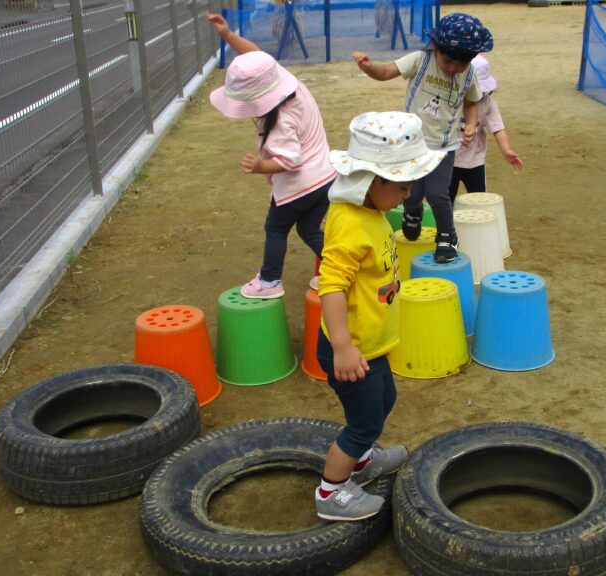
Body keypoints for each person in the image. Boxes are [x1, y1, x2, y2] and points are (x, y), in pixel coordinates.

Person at [314, 111, 446, 521]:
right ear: (370, 181)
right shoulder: (351, 223)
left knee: (384, 400)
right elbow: (330, 286)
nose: (409, 194)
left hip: (372, 345)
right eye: (402, 185)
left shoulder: (370, 212)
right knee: (363, 423)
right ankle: (330, 493)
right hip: (351, 350)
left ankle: (362, 462)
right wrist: (343, 347)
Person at [207, 13, 336, 299]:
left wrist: (260, 166)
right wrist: (228, 36)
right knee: (308, 228)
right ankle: (340, 269)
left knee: (275, 228)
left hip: (299, 185)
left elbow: (290, 160)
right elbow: (255, 55)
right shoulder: (290, 84)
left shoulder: (280, 121)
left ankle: (269, 281)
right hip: (326, 176)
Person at [353, 13, 494, 263]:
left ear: (471, 59)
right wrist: (368, 67)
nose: (452, 68)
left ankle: (447, 236)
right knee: (412, 193)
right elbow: (386, 72)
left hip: (444, 147)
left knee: (439, 193)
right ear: (435, 47)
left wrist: (471, 124)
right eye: (447, 60)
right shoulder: (420, 60)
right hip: (412, 145)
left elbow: (473, 102)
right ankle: (413, 212)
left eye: (460, 64)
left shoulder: (469, 74)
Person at [449, 54, 523, 202]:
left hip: (475, 160)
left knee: (480, 200)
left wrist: (505, 149)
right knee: (445, 200)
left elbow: (498, 127)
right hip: (449, 160)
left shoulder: (488, 102)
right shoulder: (449, 99)